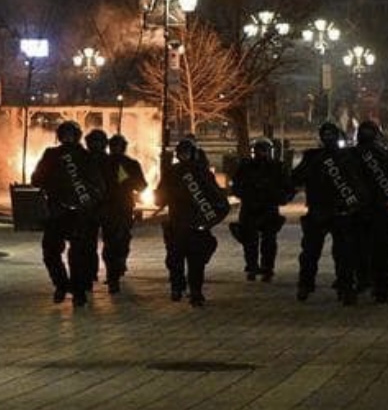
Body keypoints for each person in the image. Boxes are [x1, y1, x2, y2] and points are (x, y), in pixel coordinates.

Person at [290, 121, 376, 305]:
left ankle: (343, 287)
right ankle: (310, 285)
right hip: (323, 211)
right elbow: (296, 178)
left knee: (341, 253)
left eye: (330, 134)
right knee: (313, 253)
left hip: (338, 212)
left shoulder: (344, 157)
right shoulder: (317, 157)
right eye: (326, 134)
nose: (328, 138)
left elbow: (359, 181)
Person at [31, 119, 105, 306]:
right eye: (65, 134)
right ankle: (67, 287)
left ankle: (72, 289)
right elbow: (37, 179)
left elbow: (97, 186)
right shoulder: (63, 155)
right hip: (66, 212)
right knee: (57, 253)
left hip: (69, 213)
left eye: (69, 134)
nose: (67, 138)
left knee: (69, 254)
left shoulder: (76, 156)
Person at [156, 137, 228, 305]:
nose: (184, 155)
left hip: (189, 225)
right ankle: (184, 290)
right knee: (179, 260)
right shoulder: (195, 172)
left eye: (186, 152)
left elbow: (160, 199)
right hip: (185, 224)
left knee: (190, 261)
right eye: (182, 153)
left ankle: (189, 290)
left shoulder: (182, 172)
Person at [348, 120, 388, 303]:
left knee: (359, 250)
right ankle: (380, 289)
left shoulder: (351, 155)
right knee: (380, 252)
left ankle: (363, 283)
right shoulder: (381, 155)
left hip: (360, 211)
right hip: (377, 210)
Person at [229, 137, 296, 281]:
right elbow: (236, 186)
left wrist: (279, 197)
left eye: (264, 150)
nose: (261, 153)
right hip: (250, 208)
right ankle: (252, 267)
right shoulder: (246, 167)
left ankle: (267, 268)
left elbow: (288, 187)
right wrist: (247, 194)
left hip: (268, 208)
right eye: (259, 150)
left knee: (269, 242)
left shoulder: (277, 167)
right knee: (250, 242)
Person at [98, 133, 146, 294]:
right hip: (112, 207)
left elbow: (141, 185)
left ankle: (117, 269)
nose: (115, 149)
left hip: (121, 207)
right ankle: (113, 275)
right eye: (113, 146)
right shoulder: (105, 163)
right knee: (112, 241)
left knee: (119, 241)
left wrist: (127, 181)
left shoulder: (128, 164)